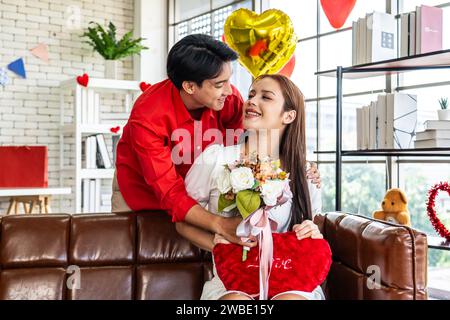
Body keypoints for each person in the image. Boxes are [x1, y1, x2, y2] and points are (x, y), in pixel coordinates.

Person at [114, 34, 321, 247]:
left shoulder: (228, 99)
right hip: (150, 195)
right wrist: (221, 225)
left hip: (203, 192)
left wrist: (297, 165)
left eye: (229, 80)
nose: (230, 91)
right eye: (220, 84)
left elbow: (250, 143)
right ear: (190, 87)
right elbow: (170, 194)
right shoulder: (148, 118)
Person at [178, 74, 325, 300]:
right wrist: (219, 245)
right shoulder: (215, 158)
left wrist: (312, 232)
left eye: (266, 97)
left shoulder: (305, 173)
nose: (252, 101)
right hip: (231, 281)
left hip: (288, 277)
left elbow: (308, 230)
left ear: (289, 115)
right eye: (251, 95)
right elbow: (182, 223)